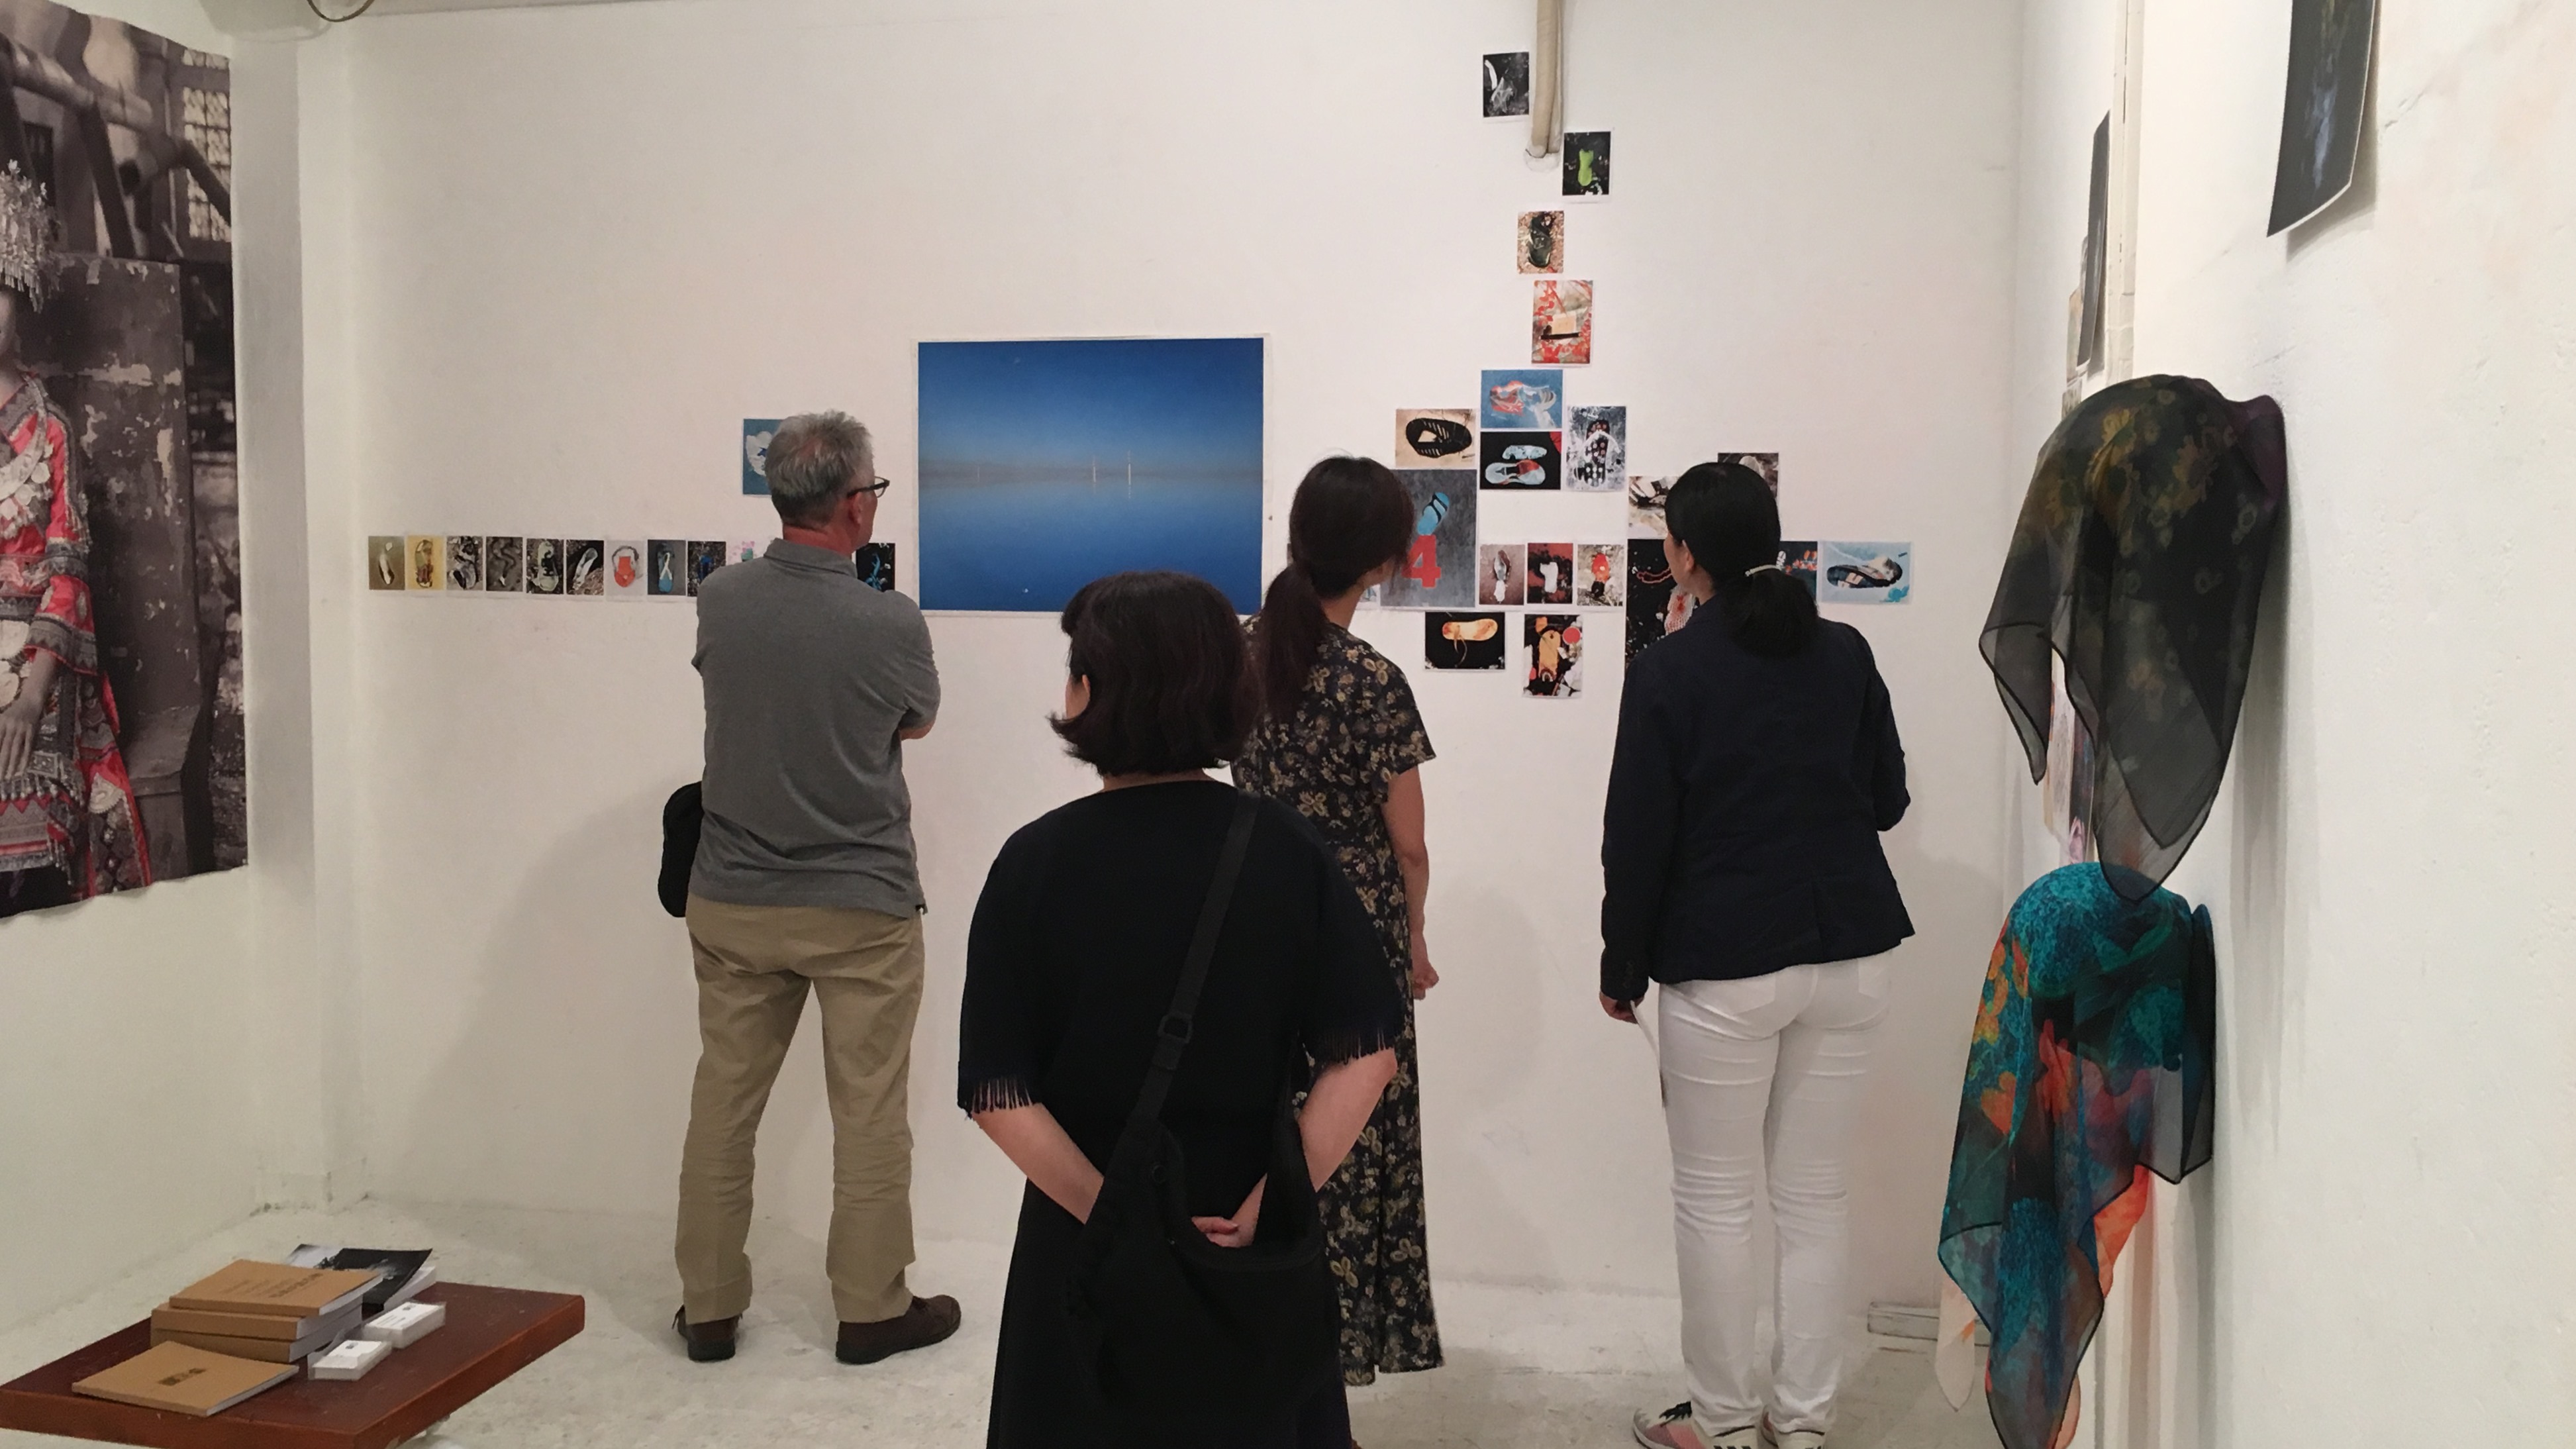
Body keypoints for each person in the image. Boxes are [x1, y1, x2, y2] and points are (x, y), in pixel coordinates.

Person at [962, 570, 1403, 1448]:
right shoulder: (1286, 850)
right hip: (1247, 1237)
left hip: (1083, 1233)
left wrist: (1119, 1216)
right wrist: (1274, 1199)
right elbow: (1366, 1053)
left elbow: (996, 1091)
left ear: (1089, 691)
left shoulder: (1034, 863)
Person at [1602, 462, 1914, 1449]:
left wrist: (1620, 965)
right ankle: (1804, 1424)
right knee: (1814, 1200)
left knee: (1715, 1203)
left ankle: (1726, 1426)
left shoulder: (1668, 671)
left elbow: (1636, 837)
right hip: (1850, 952)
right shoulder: (1845, 650)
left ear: (1683, 555)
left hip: (1725, 961)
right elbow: (1887, 800)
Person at [673, 410, 956, 1367]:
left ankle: (708, 1308)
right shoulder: (889, 620)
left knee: (723, 1107)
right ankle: (871, 1310)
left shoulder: (722, 598)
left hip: (733, 896)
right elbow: (914, 722)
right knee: (868, 1114)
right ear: (853, 506)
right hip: (859, 902)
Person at [1234, 456, 1446, 1388]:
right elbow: (1409, 846)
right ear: (1381, 564)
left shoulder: (1239, 651)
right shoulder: (1372, 680)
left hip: (1251, 912)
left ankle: (1253, 1344)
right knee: (1352, 1137)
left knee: (1263, 1120)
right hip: (1354, 923)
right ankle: (1337, 1357)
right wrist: (1414, 936)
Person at [0, 166, 148, 922]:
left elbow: (68, 573)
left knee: (24, 778)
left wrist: (31, 698)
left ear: (21, 301)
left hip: (38, 653)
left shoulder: (51, 428)